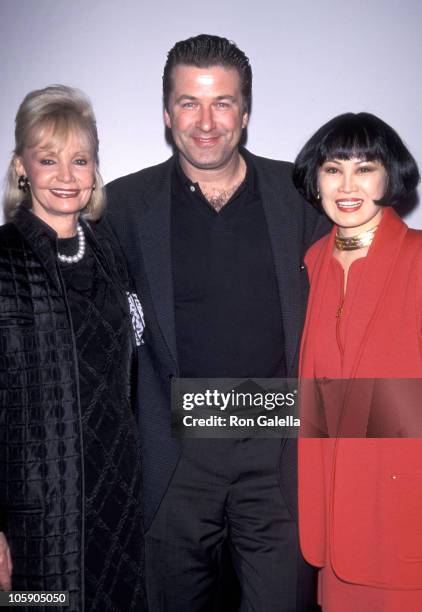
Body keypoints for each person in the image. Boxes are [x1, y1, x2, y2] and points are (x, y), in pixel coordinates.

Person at [104, 33, 329, 612]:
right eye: (189, 102)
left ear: (246, 112)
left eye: (222, 103)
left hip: (279, 459)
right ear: (165, 113)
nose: (206, 122)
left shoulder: (303, 197)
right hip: (173, 463)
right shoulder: (121, 207)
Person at [0, 85, 145, 611]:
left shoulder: (109, 250)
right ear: (22, 167)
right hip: (37, 511)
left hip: (120, 499)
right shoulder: (3, 258)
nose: (66, 176)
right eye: (48, 159)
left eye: (80, 160)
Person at [293, 112, 422, 611]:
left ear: (389, 177)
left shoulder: (416, 257)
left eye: (364, 168)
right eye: (332, 169)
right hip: (334, 524)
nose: (347, 185)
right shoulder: (314, 262)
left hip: (404, 515)